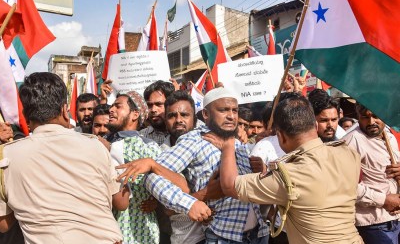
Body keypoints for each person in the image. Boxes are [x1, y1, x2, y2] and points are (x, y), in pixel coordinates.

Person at [0, 72, 127, 244]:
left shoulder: (5, 157)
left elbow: (2, 224)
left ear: (25, 115)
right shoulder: (97, 146)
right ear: (64, 109)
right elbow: (121, 203)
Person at [208, 96, 362, 244]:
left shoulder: (289, 175)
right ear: (315, 125)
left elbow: (229, 185)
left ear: (280, 136)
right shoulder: (348, 154)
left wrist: (228, 144)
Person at [144, 88, 269, 244]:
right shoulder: (195, 140)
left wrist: (262, 173)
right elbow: (152, 176)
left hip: (258, 233)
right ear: (206, 114)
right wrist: (190, 204)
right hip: (224, 237)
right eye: (223, 110)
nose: (231, 116)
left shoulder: (237, 142)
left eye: (234, 110)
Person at [106, 91, 161, 244]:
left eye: (118, 106)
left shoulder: (149, 148)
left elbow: (166, 181)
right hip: (109, 232)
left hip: (141, 234)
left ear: (135, 114)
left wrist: (156, 201)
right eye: (111, 106)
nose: (111, 110)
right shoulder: (102, 143)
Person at [342, 103, 400, 244]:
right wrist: (383, 200)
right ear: (358, 117)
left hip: (396, 220)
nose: (371, 122)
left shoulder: (390, 136)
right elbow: (344, 185)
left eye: (375, 116)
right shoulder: (351, 140)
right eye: (365, 117)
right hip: (374, 225)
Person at [140, 80, 175, 145]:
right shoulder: (141, 137)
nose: (153, 110)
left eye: (159, 104)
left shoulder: (184, 132)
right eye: (149, 105)